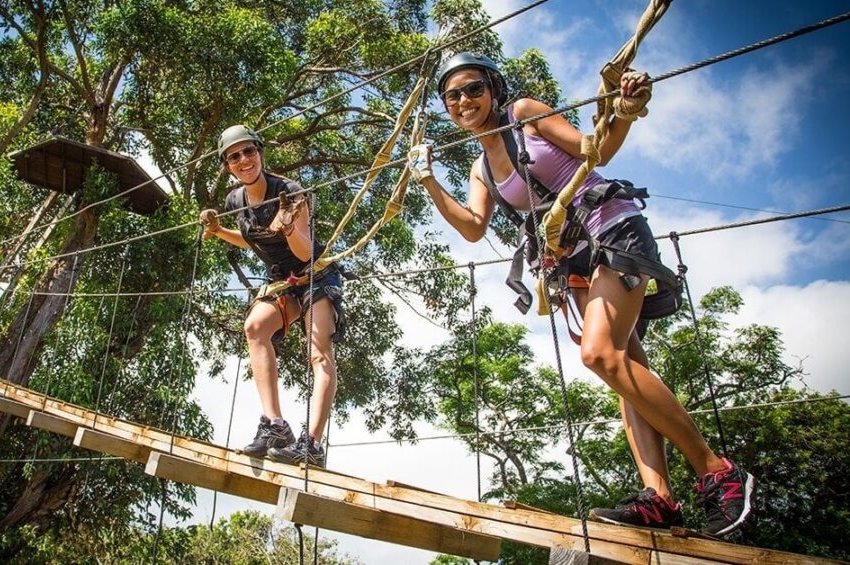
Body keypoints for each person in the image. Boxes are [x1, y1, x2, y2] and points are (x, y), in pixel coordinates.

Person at [407, 52, 754, 536]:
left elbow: (597, 150)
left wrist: (625, 107)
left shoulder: (524, 114)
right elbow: (471, 226)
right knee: (625, 371)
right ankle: (660, 498)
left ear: (492, 89)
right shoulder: (480, 168)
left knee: (600, 355)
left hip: (611, 231)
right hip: (573, 262)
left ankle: (719, 473)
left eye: (473, 89)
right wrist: (426, 180)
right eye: (453, 96)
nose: (464, 100)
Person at [199, 125, 345, 467]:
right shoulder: (235, 200)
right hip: (283, 279)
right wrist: (219, 230)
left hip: (315, 272)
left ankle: (312, 444)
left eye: (249, 151)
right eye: (235, 156)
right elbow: (253, 239)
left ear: (260, 153)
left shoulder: (290, 193)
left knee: (319, 352)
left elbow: (306, 251)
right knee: (255, 327)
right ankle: (276, 426)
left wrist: (290, 227)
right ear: (227, 165)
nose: (244, 159)